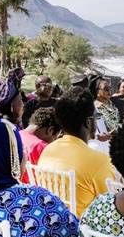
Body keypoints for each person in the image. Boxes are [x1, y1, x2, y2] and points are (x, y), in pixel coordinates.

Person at [36, 87, 116, 216]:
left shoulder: (47, 150)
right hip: (82, 232)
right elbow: (110, 209)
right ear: (88, 122)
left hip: (52, 222)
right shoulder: (100, 162)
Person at [18, 107, 60, 183]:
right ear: (50, 130)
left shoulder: (16, 135)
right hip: (34, 191)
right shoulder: (42, 147)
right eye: (55, 137)